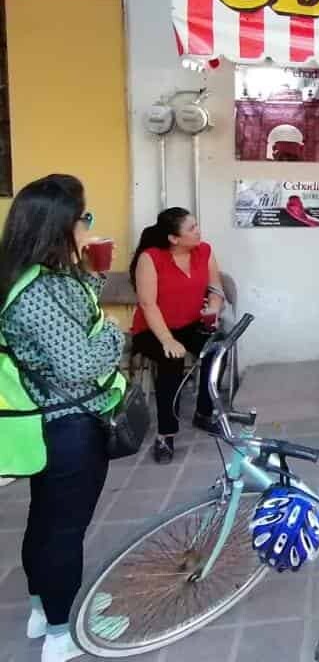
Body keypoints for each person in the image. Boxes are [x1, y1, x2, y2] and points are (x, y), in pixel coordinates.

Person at [0, 175, 127, 662]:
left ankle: (43, 610)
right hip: (70, 426)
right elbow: (80, 364)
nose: (89, 225)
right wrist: (114, 333)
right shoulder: (42, 290)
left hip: (46, 421)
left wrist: (93, 274)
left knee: (46, 521)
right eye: (84, 217)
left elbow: (69, 323)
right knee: (64, 531)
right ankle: (62, 632)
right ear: (60, 225)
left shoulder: (27, 276)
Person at [130, 208, 225, 464]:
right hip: (153, 329)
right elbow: (148, 305)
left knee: (217, 350)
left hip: (190, 324)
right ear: (174, 238)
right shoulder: (150, 258)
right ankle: (166, 434)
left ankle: (204, 413)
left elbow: (215, 287)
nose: (198, 231)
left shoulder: (204, 251)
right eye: (191, 228)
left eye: (197, 225)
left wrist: (214, 307)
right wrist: (168, 340)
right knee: (171, 360)